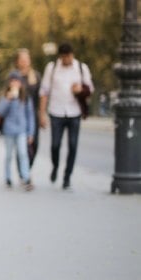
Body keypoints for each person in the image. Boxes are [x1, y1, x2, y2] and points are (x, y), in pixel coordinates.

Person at [38, 43, 94, 189]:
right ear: (60, 56)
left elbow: (90, 89)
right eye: (64, 57)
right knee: (55, 145)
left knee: (73, 145)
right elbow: (44, 92)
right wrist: (41, 114)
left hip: (74, 112)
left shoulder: (81, 68)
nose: (66, 59)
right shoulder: (52, 68)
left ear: (72, 54)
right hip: (56, 112)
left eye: (69, 56)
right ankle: (55, 166)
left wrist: (80, 90)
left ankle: (67, 176)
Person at [0, 71, 35, 191]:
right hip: (9, 131)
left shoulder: (26, 97)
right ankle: (8, 178)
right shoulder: (5, 96)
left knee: (23, 154)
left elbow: (30, 116)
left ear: (21, 83)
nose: (15, 83)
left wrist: (31, 132)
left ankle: (26, 177)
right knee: (9, 155)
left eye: (17, 81)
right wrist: (8, 99)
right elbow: (1, 112)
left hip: (21, 131)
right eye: (12, 81)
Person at [11, 48, 41, 168]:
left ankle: (27, 168)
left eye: (26, 59)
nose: (24, 62)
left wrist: (42, 114)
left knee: (35, 144)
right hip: (19, 115)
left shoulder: (36, 76)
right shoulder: (14, 76)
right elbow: (7, 94)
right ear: (17, 61)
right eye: (22, 60)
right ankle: (24, 174)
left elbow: (41, 96)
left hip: (33, 114)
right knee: (22, 145)